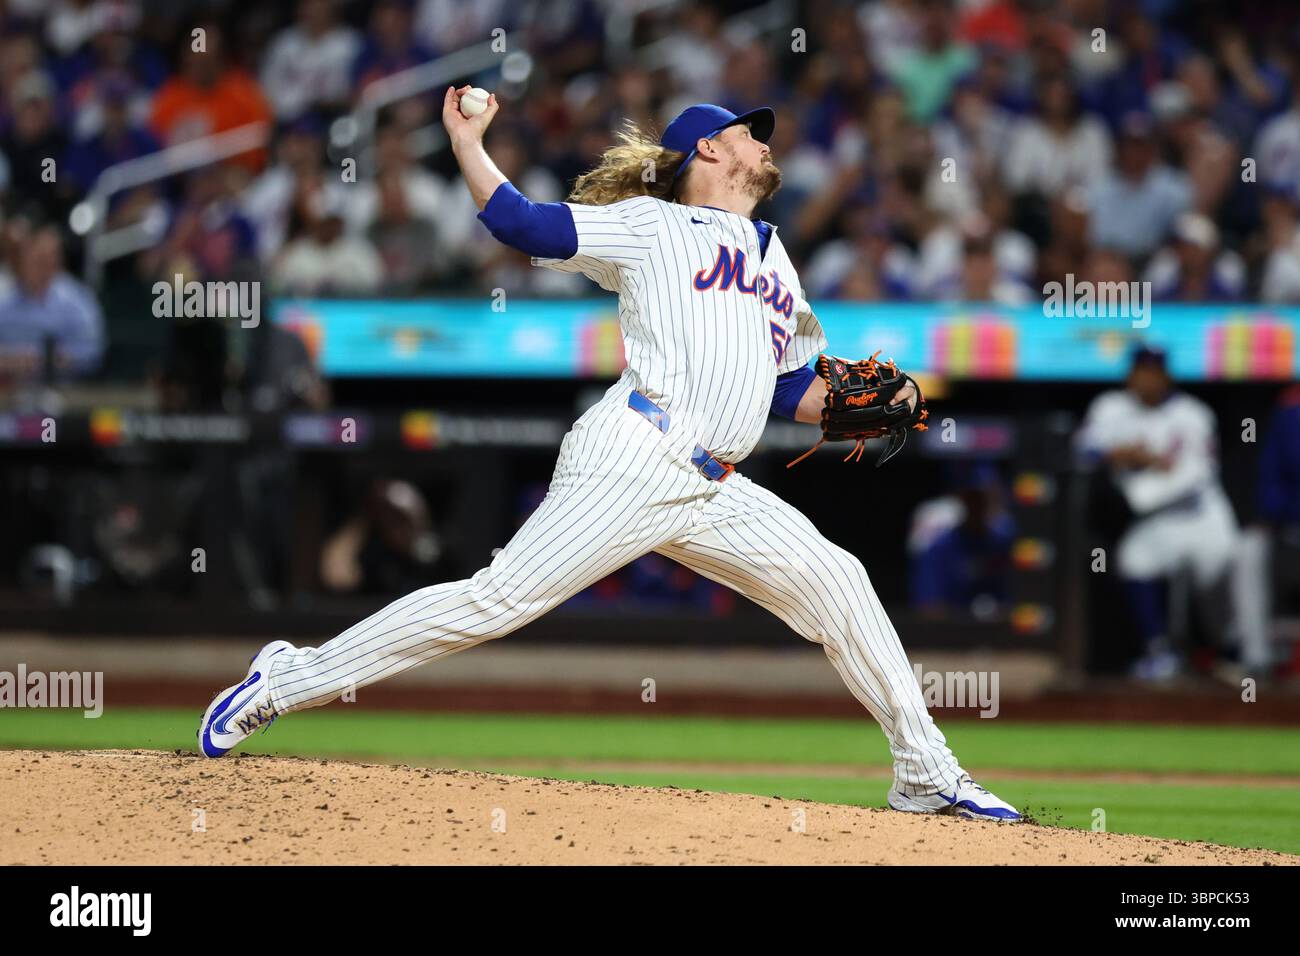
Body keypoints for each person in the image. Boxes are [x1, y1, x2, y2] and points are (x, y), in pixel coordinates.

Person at [197, 89, 1022, 822]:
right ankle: (284, 680)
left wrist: (856, 408)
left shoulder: (774, 256)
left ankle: (925, 772)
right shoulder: (652, 224)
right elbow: (522, 223)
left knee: (839, 579)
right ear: (709, 149)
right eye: (749, 133)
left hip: (712, 482)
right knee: (492, 603)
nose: (765, 144)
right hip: (634, 455)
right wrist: (468, 144)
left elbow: (789, 386)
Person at [1076, 346, 1240, 680]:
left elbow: (1198, 474)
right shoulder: (1111, 408)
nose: (1146, 379)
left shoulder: (1193, 413)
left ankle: (1230, 651)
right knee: (1134, 561)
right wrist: (1116, 453)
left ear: (1166, 376)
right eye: (1140, 371)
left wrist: (1142, 475)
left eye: (1153, 371)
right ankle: (1159, 652)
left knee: (1217, 575)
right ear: (1130, 375)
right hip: (1156, 521)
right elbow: (1083, 448)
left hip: (1201, 515)